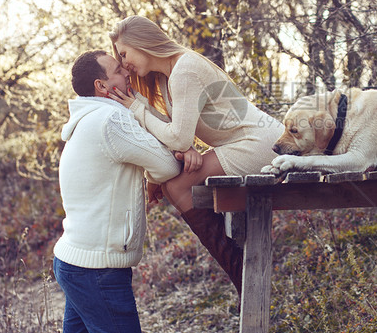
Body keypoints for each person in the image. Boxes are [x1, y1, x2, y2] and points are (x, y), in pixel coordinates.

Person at [107, 16, 284, 295]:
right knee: (176, 181)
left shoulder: (184, 70)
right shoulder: (170, 75)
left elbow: (177, 136)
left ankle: (243, 275)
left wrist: (140, 112)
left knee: (177, 185)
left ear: (142, 42)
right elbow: (177, 132)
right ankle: (242, 272)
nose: (124, 63)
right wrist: (183, 149)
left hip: (258, 143)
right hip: (241, 142)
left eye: (124, 53)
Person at [53, 50, 181, 333]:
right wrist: (155, 173)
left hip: (75, 262)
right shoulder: (111, 121)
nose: (126, 73)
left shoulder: (88, 121)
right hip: (97, 269)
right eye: (117, 70)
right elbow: (168, 165)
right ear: (102, 85)